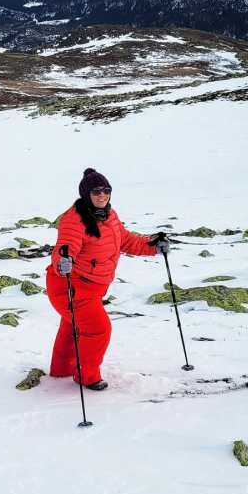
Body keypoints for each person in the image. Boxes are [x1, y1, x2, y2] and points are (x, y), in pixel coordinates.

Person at [45, 168, 169, 391]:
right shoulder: (74, 220)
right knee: (97, 328)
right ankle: (86, 375)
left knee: (74, 325)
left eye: (106, 190)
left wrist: (152, 246)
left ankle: (61, 369)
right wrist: (63, 260)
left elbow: (126, 240)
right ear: (86, 194)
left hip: (92, 287)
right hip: (70, 287)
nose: (102, 195)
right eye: (96, 191)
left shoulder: (110, 216)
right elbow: (65, 247)